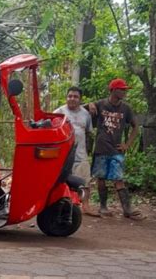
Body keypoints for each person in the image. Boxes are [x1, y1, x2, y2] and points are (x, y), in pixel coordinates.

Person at [88, 78, 144, 220]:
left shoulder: (126, 108)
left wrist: (127, 144)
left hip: (116, 149)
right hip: (101, 148)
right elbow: (81, 108)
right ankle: (103, 207)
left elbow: (135, 126)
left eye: (125, 89)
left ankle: (127, 209)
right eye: (122, 89)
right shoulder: (101, 104)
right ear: (113, 90)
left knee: (118, 178)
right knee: (101, 178)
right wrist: (90, 104)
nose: (125, 92)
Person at [54, 87, 99, 217]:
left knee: (84, 181)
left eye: (75, 97)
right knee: (63, 182)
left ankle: (86, 206)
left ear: (80, 99)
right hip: (63, 156)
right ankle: (66, 206)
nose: (72, 99)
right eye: (70, 96)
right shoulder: (59, 112)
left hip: (80, 153)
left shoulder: (85, 114)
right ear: (66, 97)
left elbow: (88, 132)